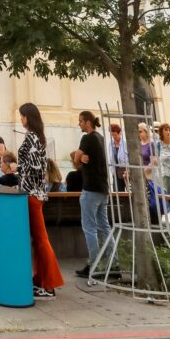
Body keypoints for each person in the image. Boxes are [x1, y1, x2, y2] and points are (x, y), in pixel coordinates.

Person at [16, 103, 64, 299]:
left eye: (22, 116)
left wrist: (19, 173)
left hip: (32, 195)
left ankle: (50, 284)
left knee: (41, 240)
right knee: (38, 241)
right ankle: (40, 279)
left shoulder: (33, 139)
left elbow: (34, 168)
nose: (20, 119)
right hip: (34, 193)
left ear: (28, 116)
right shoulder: (37, 137)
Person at [74, 110, 114, 280]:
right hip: (103, 188)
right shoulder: (100, 138)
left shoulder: (87, 138)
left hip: (90, 189)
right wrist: (82, 157)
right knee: (104, 226)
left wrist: (80, 157)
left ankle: (94, 264)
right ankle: (114, 263)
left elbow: (76, 158)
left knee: (89, 228)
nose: (79, 124)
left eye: (80, 121)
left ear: (88, 122)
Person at [107, 123, 129, 192]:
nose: (114, 137)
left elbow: (129, 157)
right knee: (118, 192)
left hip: (126, 171)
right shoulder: (111, 143)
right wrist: (112, 171)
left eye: (115, 135)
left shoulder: (125, 143)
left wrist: (128, 170)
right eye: (112, 135)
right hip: (116, 171)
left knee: (130, 191)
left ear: (119, 133)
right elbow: (111, 157)